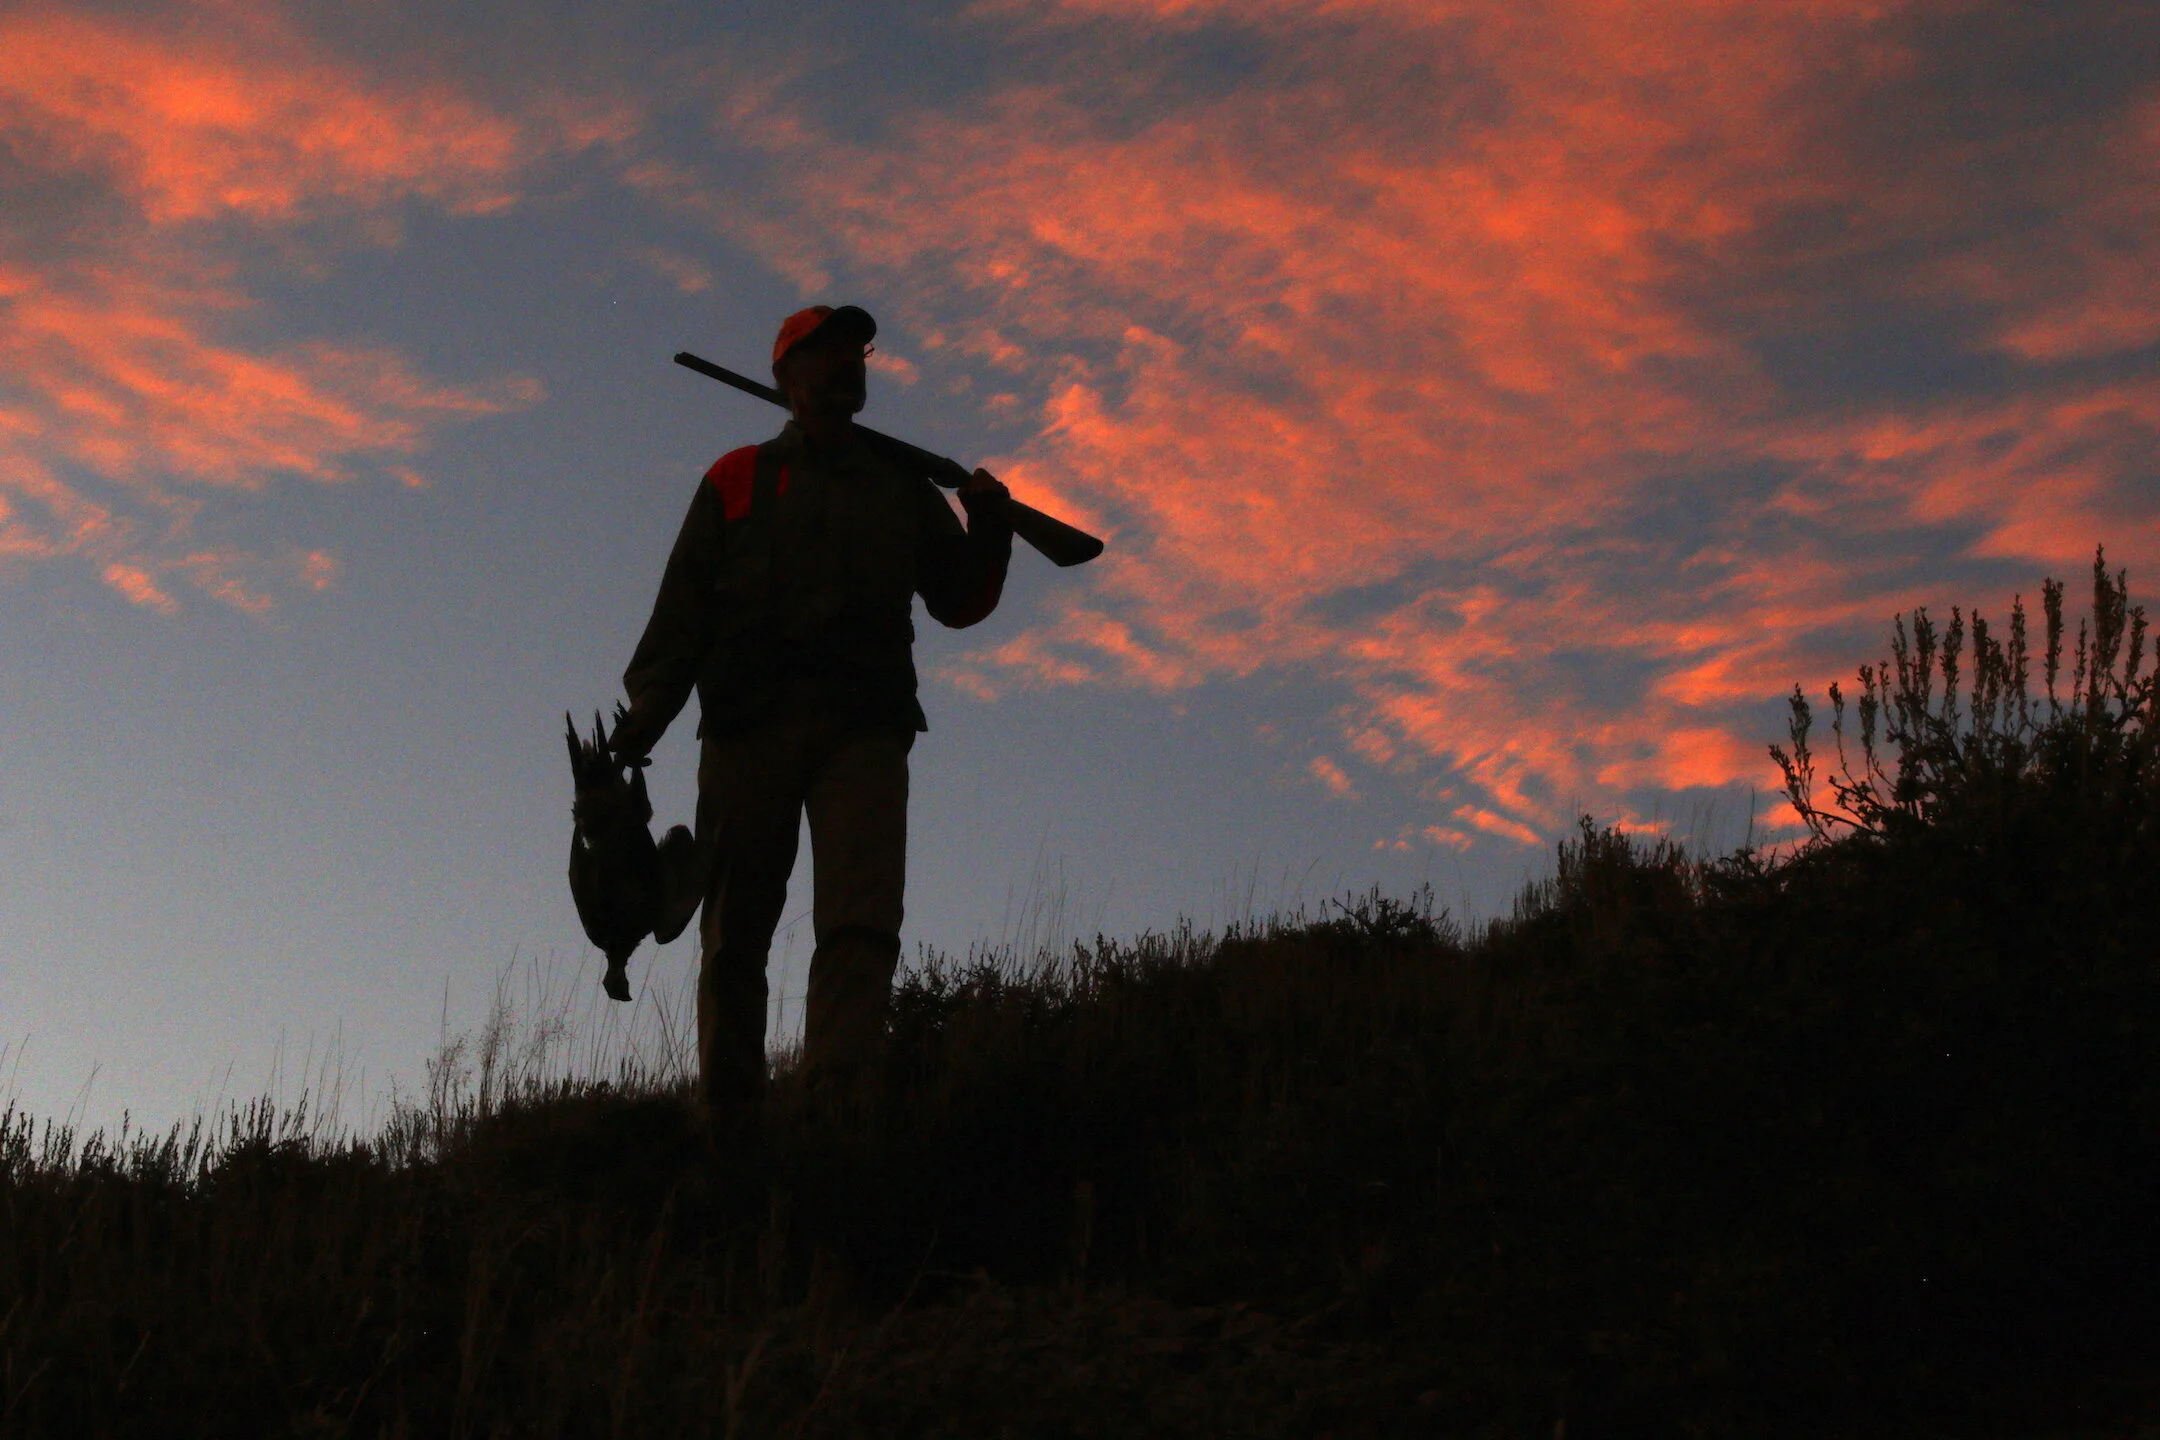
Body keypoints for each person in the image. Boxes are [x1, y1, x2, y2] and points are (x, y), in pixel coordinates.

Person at [608, 304, 1012, 1109]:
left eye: (853, 352)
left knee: (860, 923)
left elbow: (959, 601)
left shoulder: (902, 485)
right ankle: (731, 1122)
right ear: (786, 378)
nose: (843, 364)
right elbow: (683, 612)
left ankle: (838, 1107)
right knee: (734, 934)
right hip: (747, 729)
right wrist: (647, 713)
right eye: (822, 354)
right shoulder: (735, 478)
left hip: (864, 729)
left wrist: (991, 530)